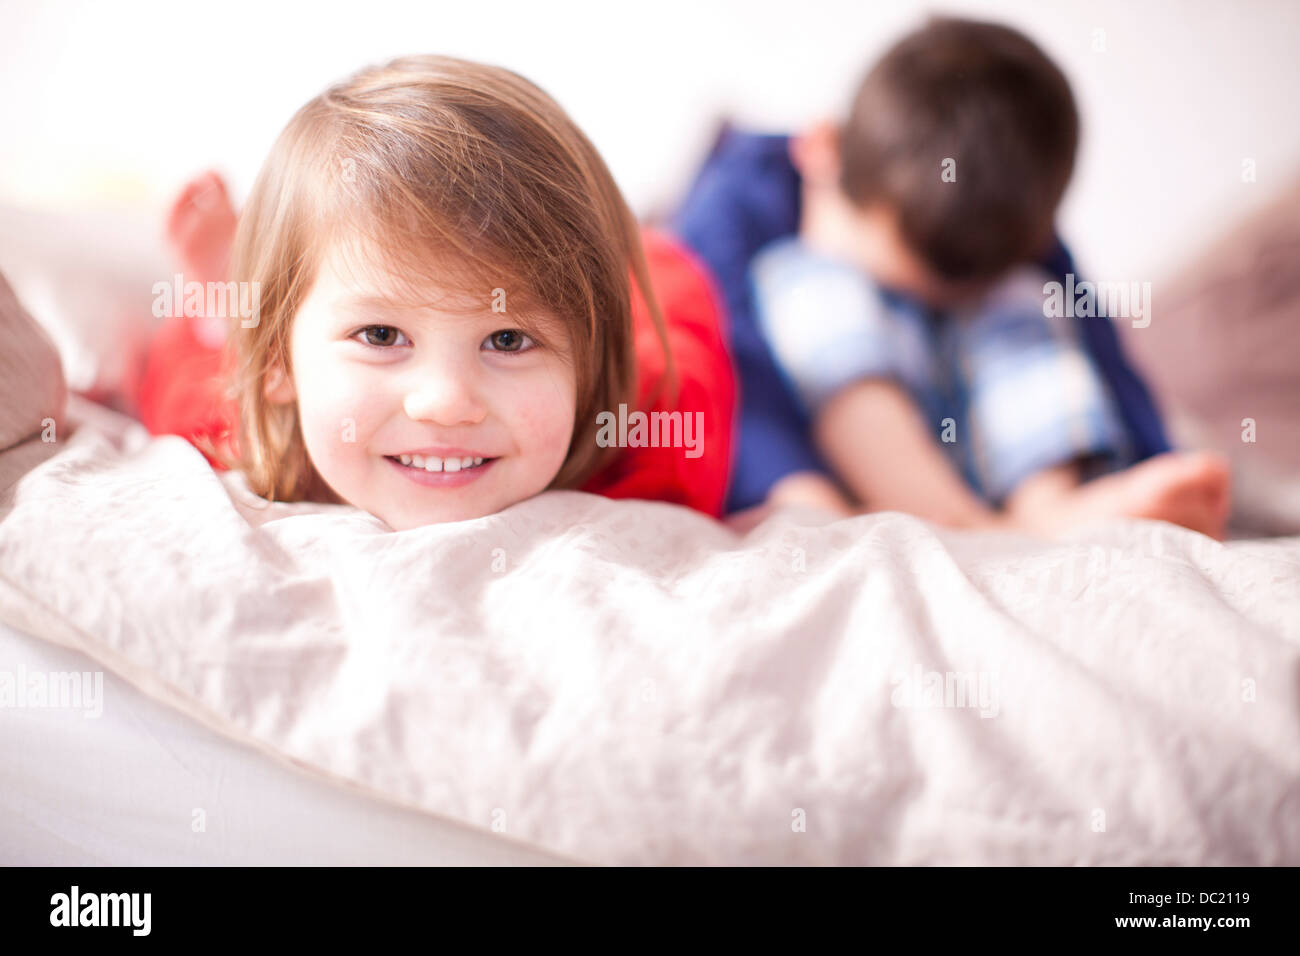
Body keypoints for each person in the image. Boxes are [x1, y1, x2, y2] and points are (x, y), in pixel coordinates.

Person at [676, 17, 1230, 538]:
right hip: (840, 459)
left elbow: (1102, 348)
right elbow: (719, 360)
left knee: (1023, 298)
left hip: (981, 454)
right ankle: (958, 522)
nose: (906, 303)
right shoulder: (735, 200)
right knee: (817, 288)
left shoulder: (1006, 226)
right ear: (822, 149)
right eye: (893, 278)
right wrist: (799, 493)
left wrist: (1160, 463)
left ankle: (1046, 510)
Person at [135, 55, 735, 531]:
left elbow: (687, 326)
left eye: (507, 338)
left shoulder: (654, 453)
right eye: (381, 335)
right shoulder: (240, 438)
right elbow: (175, 386)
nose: (446, 402)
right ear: (274, 363)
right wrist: (219, 303)